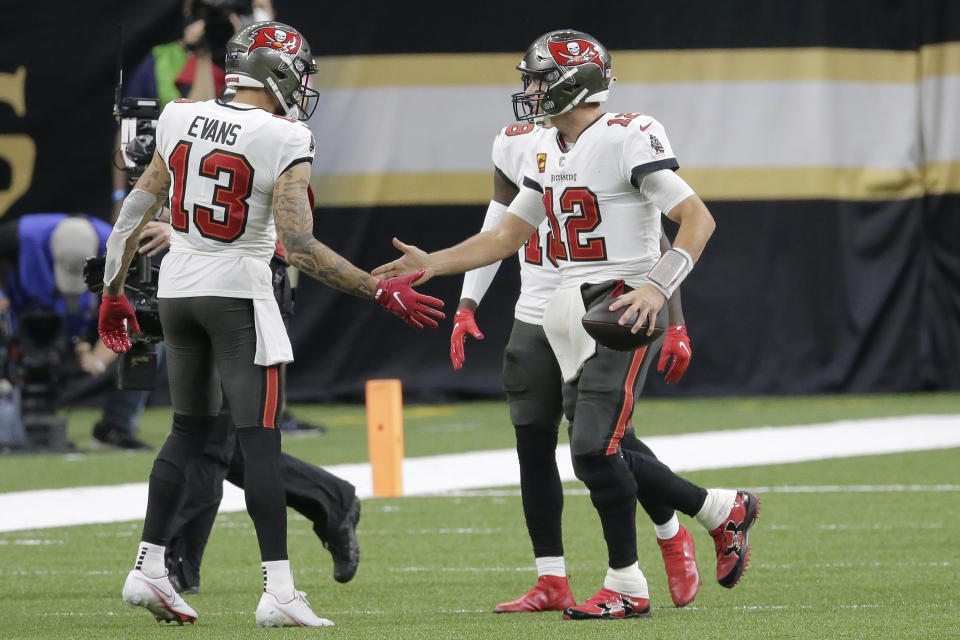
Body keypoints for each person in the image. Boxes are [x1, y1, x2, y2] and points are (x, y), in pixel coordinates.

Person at [374, 29, 758, 621]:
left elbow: (696, 220)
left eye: (536, 78)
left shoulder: (628, 134)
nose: (527, 90)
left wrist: (658, 288)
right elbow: (506, 235)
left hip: (620, 302)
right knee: (591, 448)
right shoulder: (547, 146)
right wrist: (436, 264)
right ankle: (710, 516)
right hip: (561, 307)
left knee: (592, 448)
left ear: (571, 82)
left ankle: (631, 583)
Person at [99, 21, 443, 628]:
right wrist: (379, 290)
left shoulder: (179, 115)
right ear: (278, 74)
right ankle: (278, 590)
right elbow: (300, 246)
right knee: (259, 442)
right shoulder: (286, 134)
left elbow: (133, 207)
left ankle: (148, 568)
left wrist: (113, 293)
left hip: (179, 287)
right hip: (238, 294)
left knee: (187, 431)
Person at [451, 121, 700, 610]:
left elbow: (657, 235)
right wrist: (466, 299)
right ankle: (552, 578)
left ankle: (675, 531)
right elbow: (499, 227)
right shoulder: (520, 143)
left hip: (602, 300)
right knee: (535, 443)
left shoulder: (609, 140)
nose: (534, 92)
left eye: (544, 79)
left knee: (603, 441)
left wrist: (675, 320)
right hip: (538, 307)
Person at [0, 213, 152, 450]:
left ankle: (115, 427)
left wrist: (97, 361)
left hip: (85, 338)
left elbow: (130, 318)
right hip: (23, 330)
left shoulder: (122, 251)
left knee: (149, 340)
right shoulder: (15, 238)